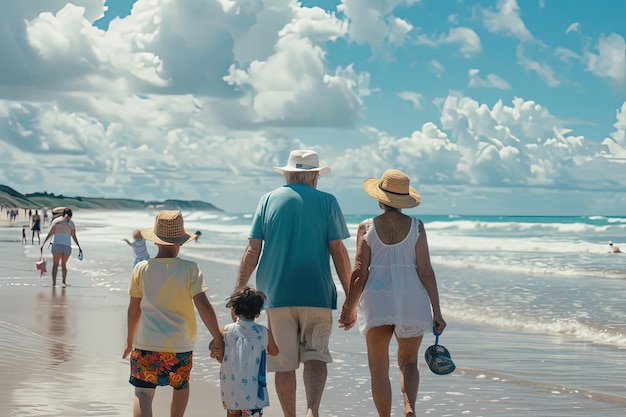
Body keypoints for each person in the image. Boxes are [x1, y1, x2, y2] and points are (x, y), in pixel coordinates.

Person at [234, 149, 352, 417]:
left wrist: (239, 291)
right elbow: (339, 252)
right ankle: (312, 411)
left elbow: (253, 249)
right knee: (316, 355)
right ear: (314, 177)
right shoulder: (327, 201)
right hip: (317, 293)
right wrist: (351, 298)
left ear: (288, 173)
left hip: (274, 295)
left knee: (283, 362)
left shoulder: (267, 200)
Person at [338, 169, 447, 417]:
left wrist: (349, 308)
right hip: (412, 299)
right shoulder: (417, 227)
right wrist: (437, 312)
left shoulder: (366, 227)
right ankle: (409, 408)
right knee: (408, 363)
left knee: (378, 368)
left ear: (380, 197)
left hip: (378, 300)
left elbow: (359, 273)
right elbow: (426, 271)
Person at [122, 209, 224, 417]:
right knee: (181, 387)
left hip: (145, 342)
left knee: (143, 393)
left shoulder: (141, 268)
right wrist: (218, 338)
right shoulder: (190, 269)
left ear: (155, 241)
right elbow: (203, 306)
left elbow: (133, 311)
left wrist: (129, 341)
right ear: (180, 242)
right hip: (179, 345)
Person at [212, 287, 279, 417]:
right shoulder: (263, 332)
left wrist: (217, 350)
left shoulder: (227, 330)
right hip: (253, 390)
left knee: (232, 414)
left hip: (231, 388)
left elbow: (213, 344)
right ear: (258, 313)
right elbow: (274, 351)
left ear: (233, 310)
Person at [40, 208, 82, 288]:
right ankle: (63, 283)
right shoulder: (71, 223)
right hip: (67, 246)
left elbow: (50, 233)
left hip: (56, 245)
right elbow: (73, 236)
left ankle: (54, 283)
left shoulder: (56, 221)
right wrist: (79, 246)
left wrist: (43, 244)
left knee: (55, 265)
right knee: (63, 265)